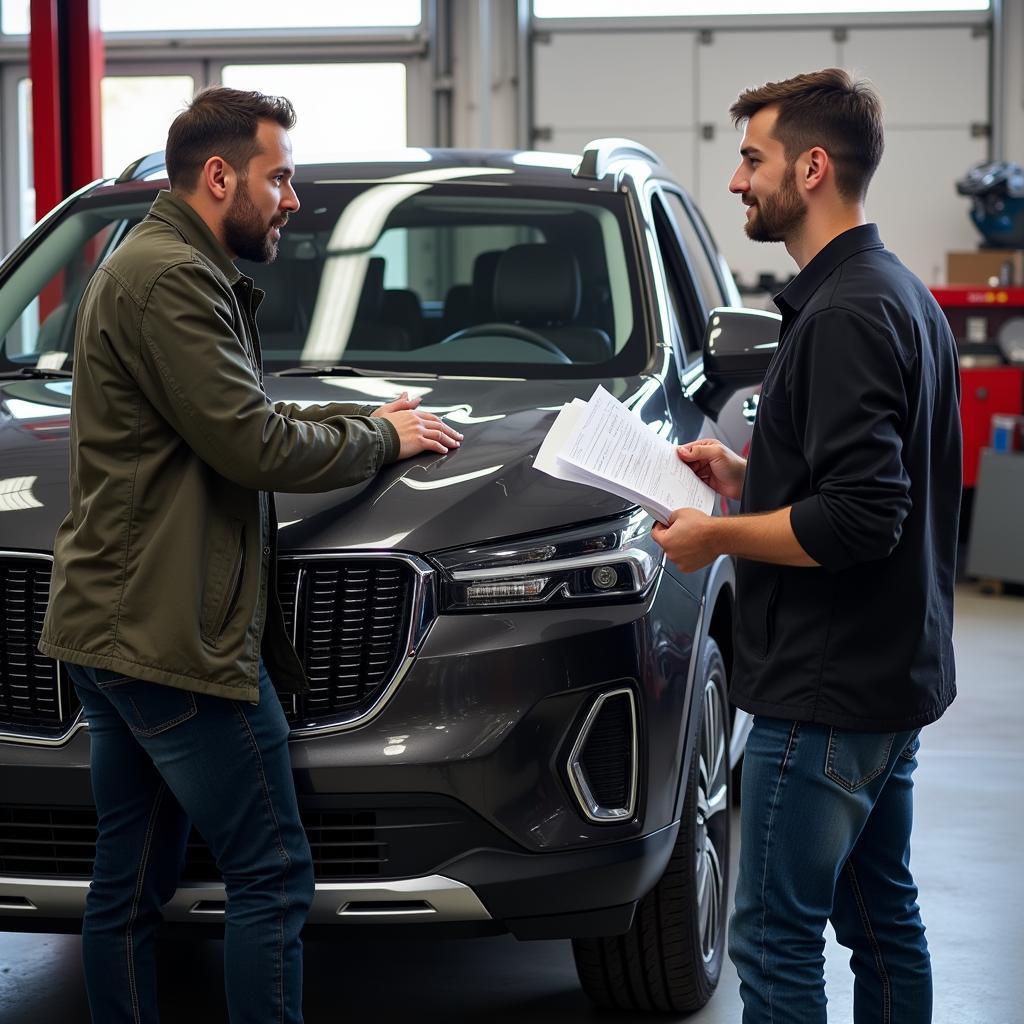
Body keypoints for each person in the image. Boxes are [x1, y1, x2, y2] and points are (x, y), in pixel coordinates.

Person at [38, 87, 463, 1024]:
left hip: (116, 628)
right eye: (280, 178)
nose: (292, 200)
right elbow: (253, 446)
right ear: (220, 176)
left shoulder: (160, 263)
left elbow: (237, 412)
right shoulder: (171, 280)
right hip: (173, 637)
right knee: (271, 871)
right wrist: (384, 444)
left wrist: (364, 420)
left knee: (133, 880)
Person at [650, 69, 961, 1023]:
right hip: (885, 681)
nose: (738, 182)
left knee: (774, 944)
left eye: (753, 159)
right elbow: (864, 476)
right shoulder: (892, 291)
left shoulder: (843, 315)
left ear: (813, 167)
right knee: (881, 923)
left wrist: (715, 536)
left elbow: (865, 518)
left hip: (823, 694)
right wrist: (751, 479)